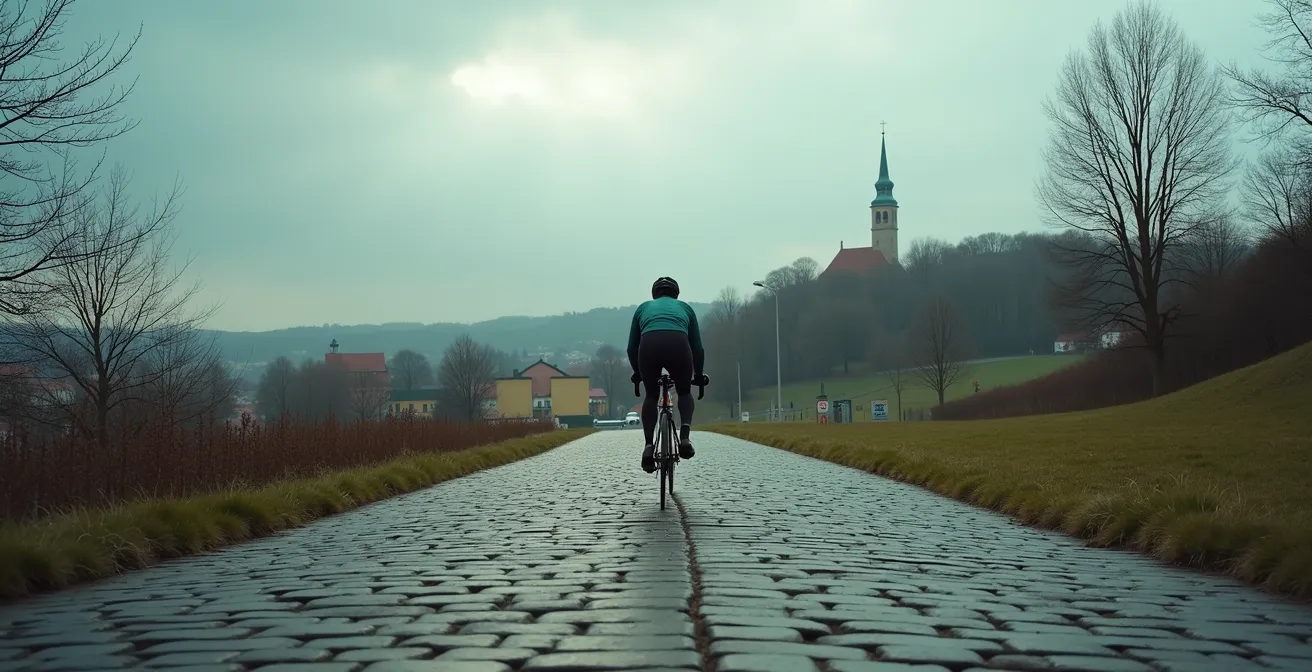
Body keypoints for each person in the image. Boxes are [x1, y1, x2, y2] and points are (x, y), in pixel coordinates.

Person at [627, 276, 706, 473]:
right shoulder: (685, 308)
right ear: (676, 294)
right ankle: (685, 438)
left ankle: (648, 447)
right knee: (685, 392)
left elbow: (631, 348)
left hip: (649, 346)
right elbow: (698, 348)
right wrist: (698, 374)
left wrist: (638, 373)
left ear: (654, 294)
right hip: (678, 344)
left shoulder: (643, 308)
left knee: (651, 396)